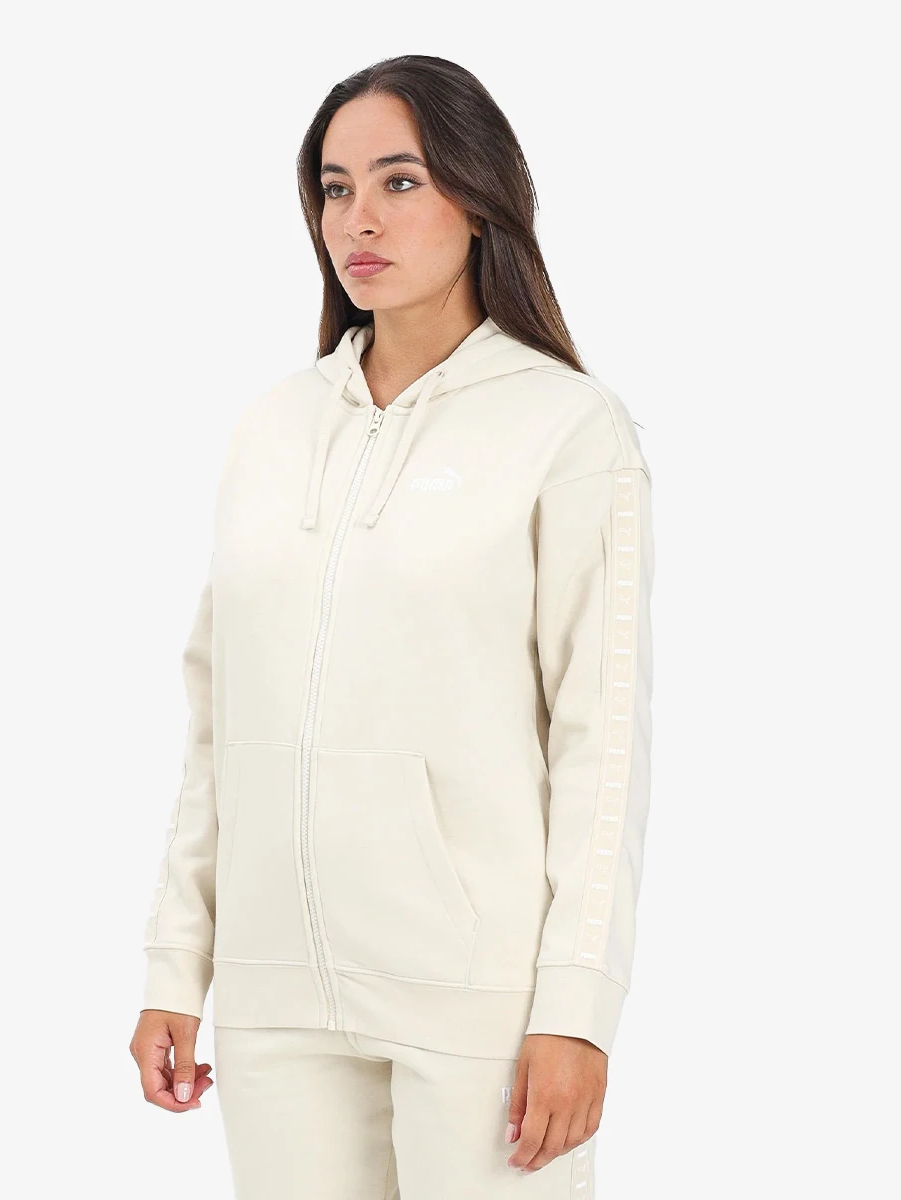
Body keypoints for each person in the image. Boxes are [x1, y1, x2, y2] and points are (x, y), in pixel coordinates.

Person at [128, 53, 655, 1200]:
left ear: (479, 198)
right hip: (274, 999)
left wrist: (578, 1008)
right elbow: (217, 723)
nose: (357, 219)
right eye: (334, 188)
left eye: (399, 181)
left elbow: (601, 743)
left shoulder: (568, 429)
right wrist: (178, 962)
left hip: (478, 1004)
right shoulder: (270, 429)